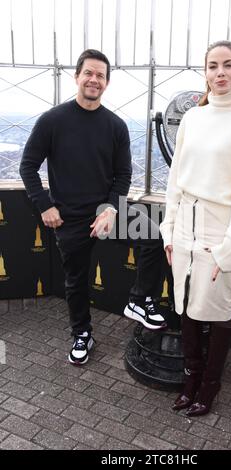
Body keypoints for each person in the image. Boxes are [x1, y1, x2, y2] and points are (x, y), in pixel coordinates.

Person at [20, 49, 167, 366]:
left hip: (107, 211)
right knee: (76, 281)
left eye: (100, 75)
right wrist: (45, 206)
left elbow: (123, 175)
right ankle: (82, 334)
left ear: (107, 83)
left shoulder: (115, 126)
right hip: (69, 217)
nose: (94, 79)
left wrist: (111, 210)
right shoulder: (52, 120)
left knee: (153, 235)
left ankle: (139, 300)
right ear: (77, 76)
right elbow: (28, 167)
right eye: (89, 72)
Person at [160, 40, 231, 416]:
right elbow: (176, 179)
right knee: (186, 302)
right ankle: (189, 378)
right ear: (204, 73)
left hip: (220, 227)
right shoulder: (192, 118)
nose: (220, 72)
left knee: (218, 308)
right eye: (212, 66)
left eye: (227, 65)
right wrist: (169, 229)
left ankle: (209, 386)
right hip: (185, 224)